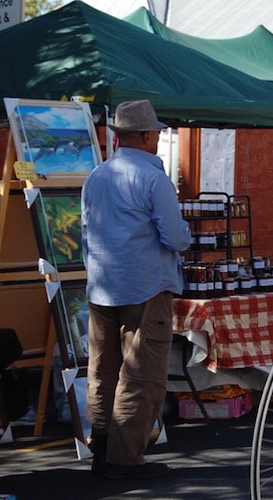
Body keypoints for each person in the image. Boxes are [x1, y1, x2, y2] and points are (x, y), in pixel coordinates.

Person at [81, 100, 192, 479]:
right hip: (145, 284)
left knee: (103, 369)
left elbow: (85, 231)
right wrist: (187, 235)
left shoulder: (96, 176)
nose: (159, 139)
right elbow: (175, 237)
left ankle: (100, 445)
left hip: (102, 284)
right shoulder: (153, 178)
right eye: (157, 133)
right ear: (146, 135)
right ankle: (123, 457)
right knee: (140, 374)